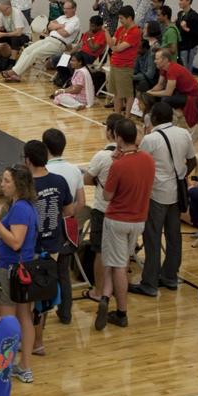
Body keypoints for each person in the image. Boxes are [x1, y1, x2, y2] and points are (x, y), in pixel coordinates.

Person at [94, 119, 155, 330]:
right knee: (119, 262)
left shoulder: (118, 165)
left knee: (118, 266)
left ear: (118, 138)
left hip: (117, 219)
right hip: (139, 219)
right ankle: (104, 297)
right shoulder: (148, 159)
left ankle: (121, 312)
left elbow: (107, 195)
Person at [132, 101, 195, 297]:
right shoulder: (184, 133)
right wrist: (181, 176)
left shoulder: (151, 139)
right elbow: (192, 161)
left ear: (154, 118)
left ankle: (149, 282)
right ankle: (170, 276)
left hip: (157, 194)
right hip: (176, 193)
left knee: (152, 238)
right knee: (174, 236)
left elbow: (139, 165)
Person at [0, 165, 39, 373]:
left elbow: (16, 242)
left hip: (10, 271)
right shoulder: (20, 205)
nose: (3, 184)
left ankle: (7, 366)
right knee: (24, 316)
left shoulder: (20, 208)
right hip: (20, 269)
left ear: (19, 185)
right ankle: (23, 366)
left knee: (7, 321)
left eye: (7, 181)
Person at [24, 140, 75, 326]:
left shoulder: (26, 186)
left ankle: (32, 334)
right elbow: (69, 211)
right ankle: (50, 325)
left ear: (27, 160)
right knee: (52, 285)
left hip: (32, 247)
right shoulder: (59, 181)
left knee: (31, 293)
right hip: (54, 245)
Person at [83, 113, 124, 296]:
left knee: (100, 251)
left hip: (103, 209)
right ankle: (118, 288)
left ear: (110, 132)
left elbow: (87, 179)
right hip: (125, 210)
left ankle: (99, 291)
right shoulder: (134, 156)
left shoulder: (102, 156)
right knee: (121, 254)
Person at [4, 0, 80, 82]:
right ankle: (16, 74)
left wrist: (55, 27)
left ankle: (14, 72)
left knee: (34, 53)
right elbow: (49, 26)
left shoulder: (75, 21)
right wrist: (61, 26)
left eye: (67, 9)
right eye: (64, 8)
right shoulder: (62, 17)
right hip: (49, 39)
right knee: (27, 50)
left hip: (58, 43)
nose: (65, 10)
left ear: (74, 9)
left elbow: (65, 33)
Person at [142, 49, 198, 127]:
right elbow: (160, 85)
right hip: (181, 93)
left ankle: (164, 122)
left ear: (165, 60)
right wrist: (149, 92)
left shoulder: (173, 70)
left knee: (165, 99)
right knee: (153, 96)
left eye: (157, 59)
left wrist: (152, 93)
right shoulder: (163, 68)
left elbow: (168, 92)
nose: (154, 61)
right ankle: (154, 118)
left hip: (193, 98)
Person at [107, 5, 141, 115]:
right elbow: (112, 43)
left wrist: (114, 48)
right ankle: (117, 115)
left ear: (129, 18)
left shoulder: (135, 31)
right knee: (117, 93)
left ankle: (127, 116)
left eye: (122, 18)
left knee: (127, 93)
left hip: (125, 66)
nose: (120, 21)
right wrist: (106, 33)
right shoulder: (121, 29)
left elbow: (119, 48)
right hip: (115, 63)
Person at [174, 0, 198, 72]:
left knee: (186, 69)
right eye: (179, 0)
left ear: (188, 1)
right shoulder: (180, 14)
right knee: (180, 68)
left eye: (181, 0)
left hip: (188, 48)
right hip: (180, 47)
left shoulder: (194, 17)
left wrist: (187, 29)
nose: (179, 2)